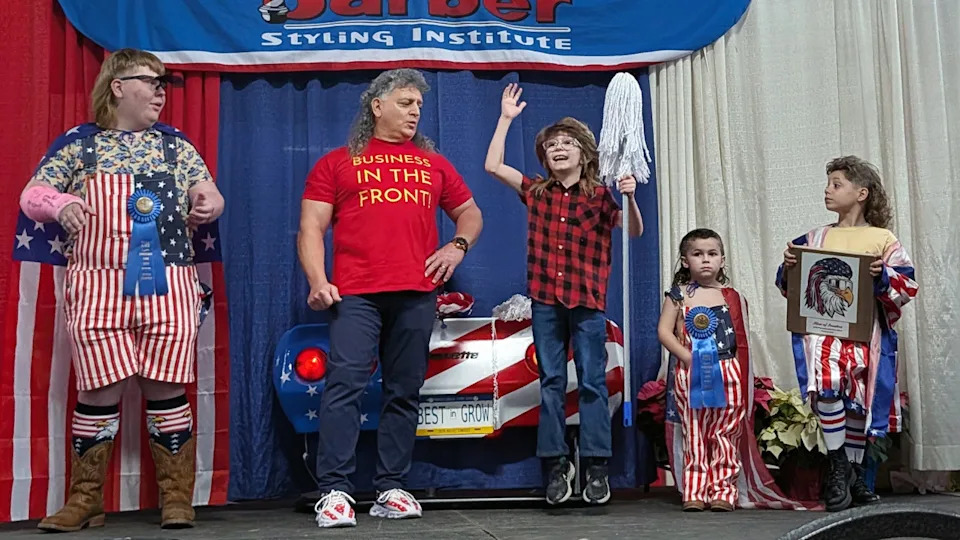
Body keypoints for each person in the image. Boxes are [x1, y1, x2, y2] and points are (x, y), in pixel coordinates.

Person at [18, 49, 224, 532]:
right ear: (117, 86)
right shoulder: (78, 145)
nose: (160, 92)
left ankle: (177, 498)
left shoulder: (176, 147)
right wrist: (61, 203)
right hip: (97, 282)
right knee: (98, 388)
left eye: (164, 85)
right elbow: (32, 194)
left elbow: (210, 191)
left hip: (169, 282)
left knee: (167, 385)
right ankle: (85, 499)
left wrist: (207, 202)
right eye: (152, 82)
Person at [299, 68, 483, 528]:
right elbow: (311, 228)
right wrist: (318, 280)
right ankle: (334, 491)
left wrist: (456, 247)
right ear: (377, 106)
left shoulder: (434, 163)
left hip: (416, 293)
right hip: (355, 294)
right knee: (345, 387)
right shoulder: (336, 163)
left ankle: (391, 487)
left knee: (404, 390)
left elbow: (470, 213)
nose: (415, 111)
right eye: (405, 102)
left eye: (418, 104)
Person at [483, 83, 643, 505]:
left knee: (592, 381)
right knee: (551, 381)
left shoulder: (600, 196)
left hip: (587, 302)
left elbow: (633, 230)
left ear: (584, 154)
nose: (558, 149)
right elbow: (493, 166)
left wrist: (630, 198)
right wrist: (505, 120)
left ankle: (596, 466)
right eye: (551, 145)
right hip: (546, 301)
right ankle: (556, 465)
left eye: (567, 143)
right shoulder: (538, 192)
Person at [777, 156, 917, 512]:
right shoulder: (815, 237)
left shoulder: (882, 239)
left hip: (864, 334)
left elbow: (907, 285)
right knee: (828, 382)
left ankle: (851, 475)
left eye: (836, 184)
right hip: (823, 331)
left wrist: (882, 275)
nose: (827, 190)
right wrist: (789, 267)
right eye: (828, 184)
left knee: (855, 399)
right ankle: (839, 463)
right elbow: (791, 285)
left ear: (861, 193)